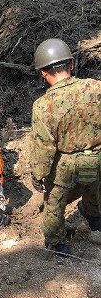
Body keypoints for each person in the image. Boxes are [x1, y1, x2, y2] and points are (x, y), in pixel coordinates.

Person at [30, 38, 101, 256]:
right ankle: (96, 225)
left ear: (43, 72)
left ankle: (57, 244)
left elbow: (44, 147)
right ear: (71, 64)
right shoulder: (97, 88)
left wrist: (38, 174)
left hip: (65, 167)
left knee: (54, 202)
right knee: (94, 191)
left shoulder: (43, 106)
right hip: (96, 160)